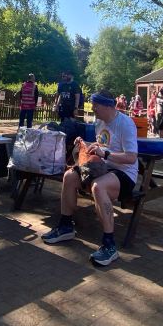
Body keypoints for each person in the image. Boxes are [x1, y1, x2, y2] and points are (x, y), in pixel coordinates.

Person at [42, 90, 138, 267]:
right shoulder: (99, 121)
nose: (92, 108)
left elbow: (131, 157)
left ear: (109, 106)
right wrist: (87, 145)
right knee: (70, 176)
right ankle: (65, 226)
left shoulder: (126, 124)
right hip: (103, 168)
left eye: (96, 105)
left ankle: (109, 245)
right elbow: (101, 146)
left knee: (97, 187)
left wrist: (106, 154)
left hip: (124, 174)